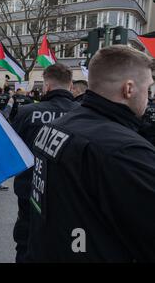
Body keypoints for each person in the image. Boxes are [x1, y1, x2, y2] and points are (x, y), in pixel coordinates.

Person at [27, 45, 155, 262]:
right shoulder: (123, 150)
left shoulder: (59, 125)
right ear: (129, 89)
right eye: (148, 89)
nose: (149, 97)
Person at [11, 63, 79, 262]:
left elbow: (13, 147)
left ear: (47, 86)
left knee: (26, 242)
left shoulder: (27, 112)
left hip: (30, 189)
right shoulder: (83, 113)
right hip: (69, 194)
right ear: (70, 86)